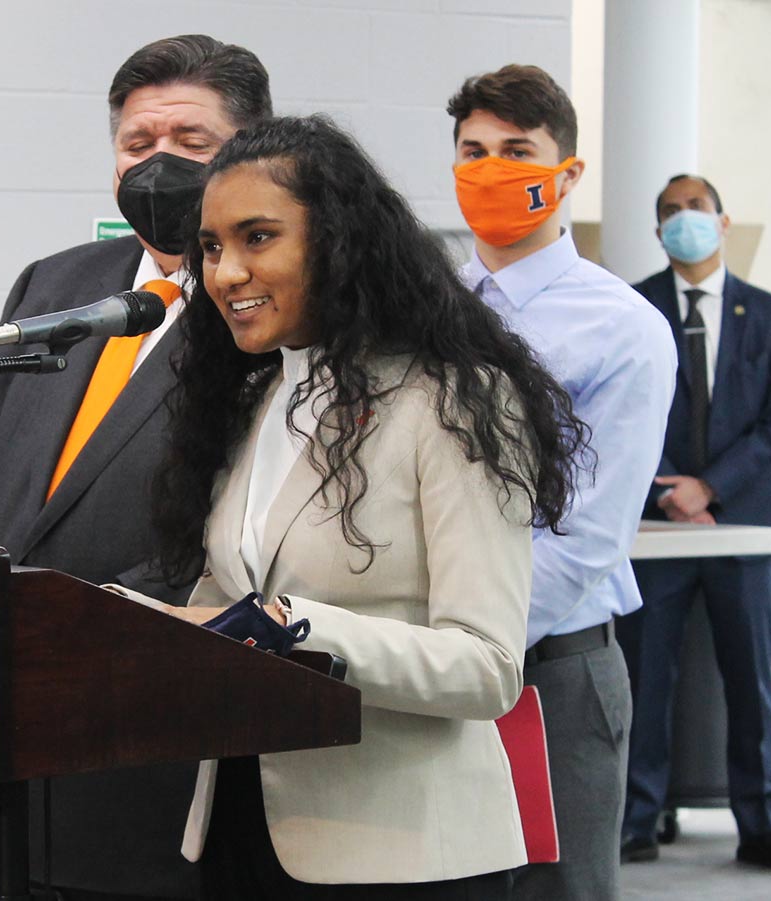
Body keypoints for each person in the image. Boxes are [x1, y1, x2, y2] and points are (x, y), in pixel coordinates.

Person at [148, 113, 587, 900]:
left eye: (257, 238)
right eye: (211, 247)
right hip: (240, 831)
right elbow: (227, 602)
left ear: (338, 242)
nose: (225, 272)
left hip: (401, 854)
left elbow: (488, 667)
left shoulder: (452, 402)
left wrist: (303, 632)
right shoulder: (256, 399)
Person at [0, 34, 272, 900]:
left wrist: (68, 622)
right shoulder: (60, 283)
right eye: (138, 145)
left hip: (141, 726)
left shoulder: (260, 316)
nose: (159, 164)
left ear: (253, 154)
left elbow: (230, 519)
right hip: (8, 735)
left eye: (192, 143)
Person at [446, 64, 677, 901]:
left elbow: (589, 538)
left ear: (568, 173)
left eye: (518, 151)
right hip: (428, 662)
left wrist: (456, 635)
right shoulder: (431, 310)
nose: (492, 170)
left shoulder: (621, 328)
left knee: (554, 890)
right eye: (474, 151)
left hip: (549, 674)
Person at [618, 174, 771, 873]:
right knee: (645, 676)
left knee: (750, 684)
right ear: (657, 231)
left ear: (724, 222)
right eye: (669, 211)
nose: (683, 221)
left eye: (695, 209)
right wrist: (668, 488)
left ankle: (761, 823)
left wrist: (710, 487)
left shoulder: (768, 314)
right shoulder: (633, 308)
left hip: (747, 524)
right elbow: (617, 414)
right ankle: (636, 818)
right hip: (656, 526)